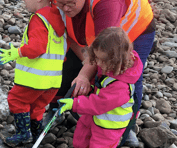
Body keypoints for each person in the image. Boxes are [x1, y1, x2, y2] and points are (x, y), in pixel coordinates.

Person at [50, 0, 156, 146]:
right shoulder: (100, 56)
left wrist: (82, 84)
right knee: (98, 74)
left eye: (70, 3)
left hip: (135, 30)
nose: (65, 8)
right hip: (104, 45)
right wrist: (86, 71)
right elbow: (83, 46)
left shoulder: (108, 5)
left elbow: (99, 102)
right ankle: (64, 111)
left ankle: (126, 129)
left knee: (128, 80)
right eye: (61, 3)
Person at [0, 0, 67, 146]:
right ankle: (36, 133)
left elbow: (37, 48)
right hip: (53, 80)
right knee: (37, 106)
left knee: (17, 100)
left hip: (34, 79)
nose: (24, 2)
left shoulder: (39, 19)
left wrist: (18, 52)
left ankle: (23, 134)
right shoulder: (61, 19)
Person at [57, 27, 143, 148]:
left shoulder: (121, 86)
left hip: (109, 127)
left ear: (117, 60)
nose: (97, 63)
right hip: (95, 117)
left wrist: (74, 104)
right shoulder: (110, 68)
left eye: (102, 60)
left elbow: (100, 103)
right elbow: (101, 86)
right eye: (96, 58)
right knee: (80, 139)